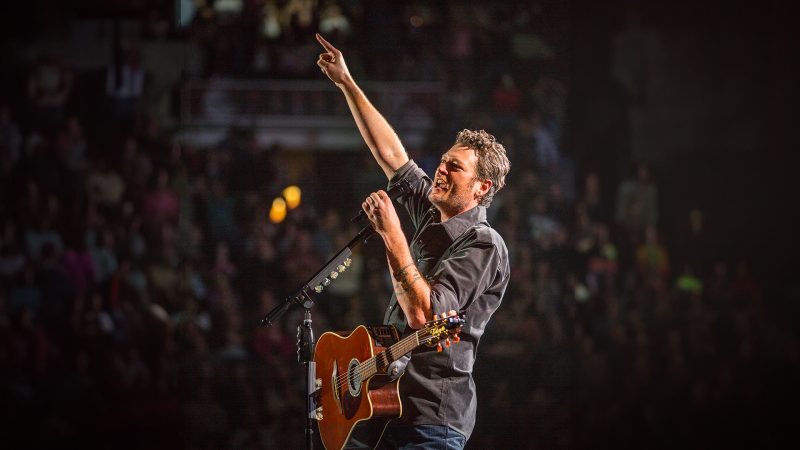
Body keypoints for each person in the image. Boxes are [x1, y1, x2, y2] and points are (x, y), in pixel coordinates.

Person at [316, 34, 511, 450]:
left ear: (481, 187)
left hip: (431, 420)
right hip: (384, 412)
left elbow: (424, 314)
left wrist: (392, 235)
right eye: (442, 161)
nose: (440, 170)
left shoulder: (484, 244)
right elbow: (391, 154)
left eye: (454, 168)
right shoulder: (432, 214)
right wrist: (347, 83)